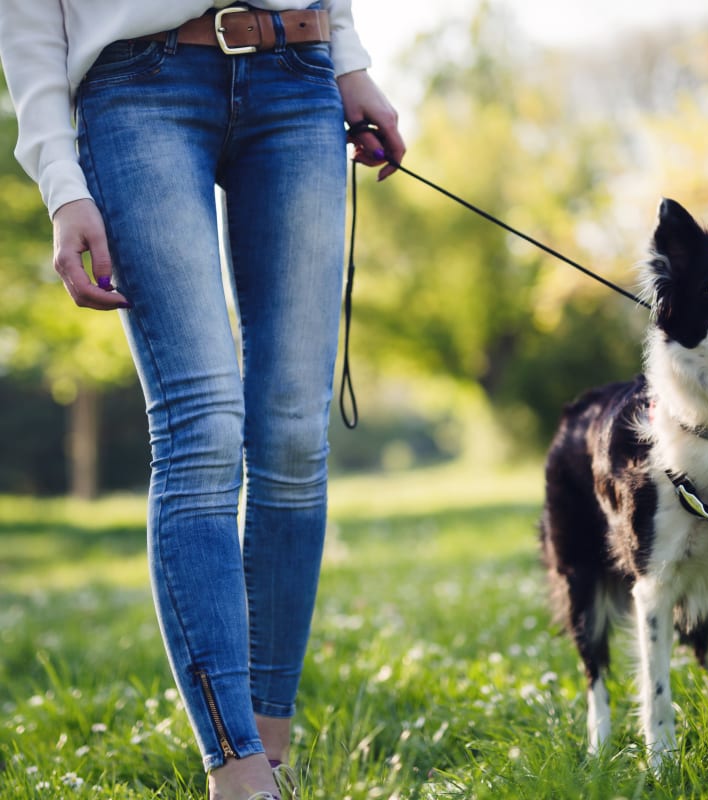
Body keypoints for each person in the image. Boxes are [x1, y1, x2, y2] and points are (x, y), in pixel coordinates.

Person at [0, 2, 405, 799]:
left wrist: (348, 57)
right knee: (203, 429)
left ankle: (273, 754)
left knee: (293, 435)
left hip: (297, 70)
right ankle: (238, 771)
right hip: (135, 86)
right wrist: (58, 178)